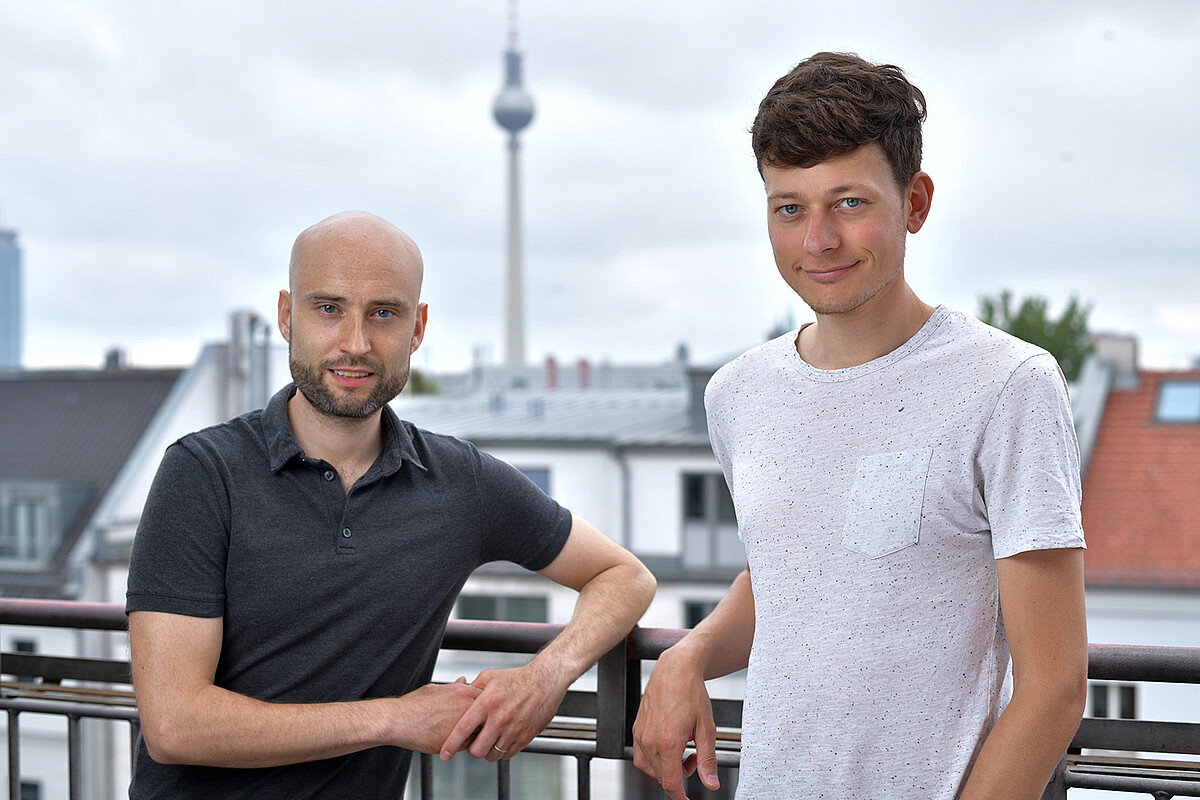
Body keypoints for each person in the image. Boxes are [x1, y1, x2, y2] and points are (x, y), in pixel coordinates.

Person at [632, 52, 1087, 800]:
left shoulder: (1009, 385)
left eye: (848, 203)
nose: (818, 240)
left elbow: (1056, 686)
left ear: (916, 202)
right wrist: (689, 655)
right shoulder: (738, 394)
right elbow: (798, 571)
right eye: (789, 208)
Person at [125, 210, 656, 798]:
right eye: (329, 308)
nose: (356, 344)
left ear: (418, 327)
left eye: (383, 313)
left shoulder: (461, 483)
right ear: (286, 315)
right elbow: (175, 725)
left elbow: (624, 577)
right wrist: (395, 717)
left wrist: (544, 678)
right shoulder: (203, 473)